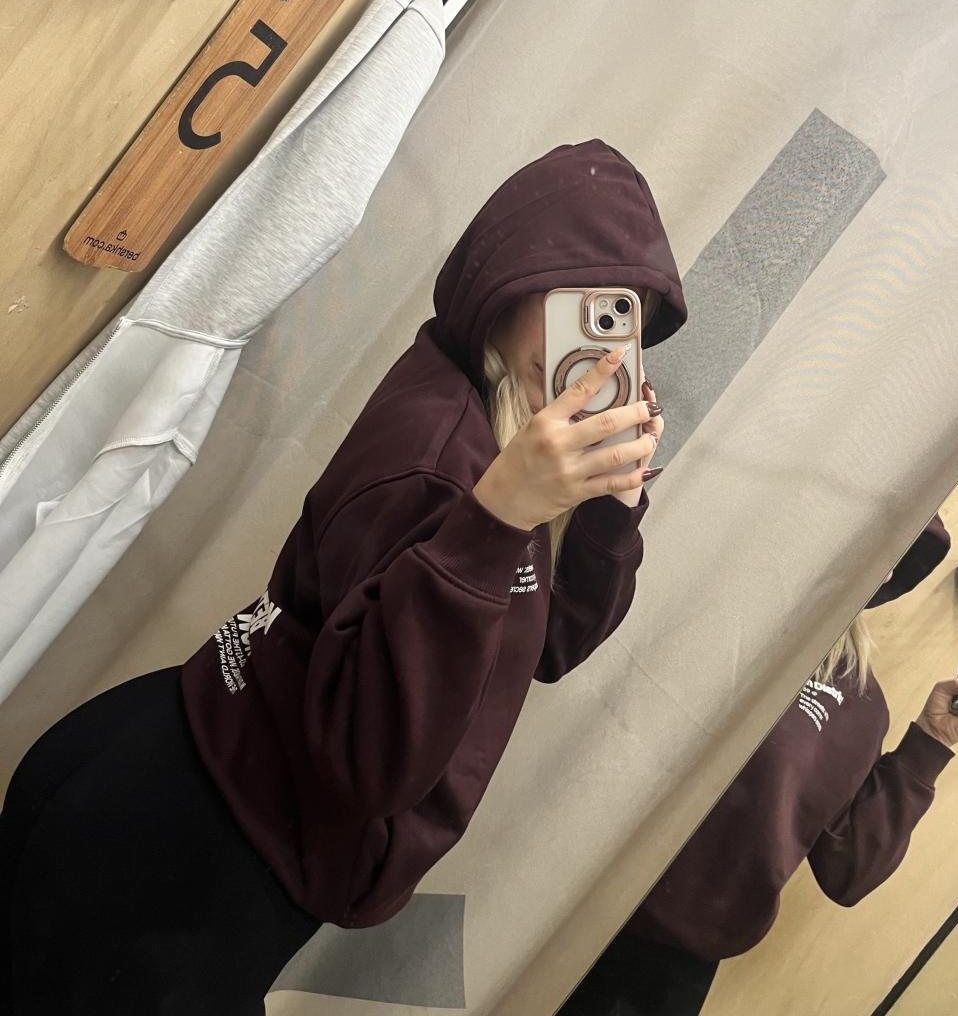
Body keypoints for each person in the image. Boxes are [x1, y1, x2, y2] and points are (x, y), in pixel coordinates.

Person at [0, 138, 687, 1015]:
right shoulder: (449, 463)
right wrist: (496, 521)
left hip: (197, 800)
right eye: (573, 304)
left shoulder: (499, 438)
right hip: (184, 848)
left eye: (619, 322)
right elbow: (369, 767)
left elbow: (542, 647)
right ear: (509, 281)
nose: (590, 350)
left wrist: (609, 509)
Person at [557, 514, 958, 1016]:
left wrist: (931, 741)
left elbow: (850, 871)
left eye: (899, 559)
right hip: (567, 895)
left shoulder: (859, 701)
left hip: (668, 963)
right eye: (883, 545)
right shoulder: (725, 603)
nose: (885, 570)